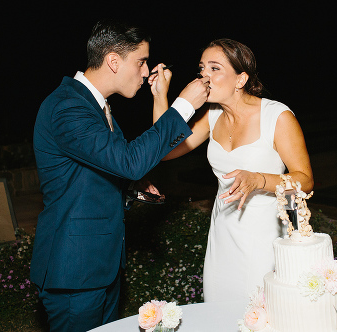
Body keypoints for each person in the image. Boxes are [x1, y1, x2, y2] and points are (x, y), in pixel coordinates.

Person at [30, 20, 211, 331]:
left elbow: (102, 168)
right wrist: (182, 106)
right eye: (140, 61)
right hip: (75, 271)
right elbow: (129, 160)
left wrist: (131, 186)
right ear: (113, 61)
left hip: (99, 267)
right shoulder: (68, 107)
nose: (145, 71)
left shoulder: (95, 106)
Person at [161, 38, 314, 307]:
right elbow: (162, 148)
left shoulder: (276, 116)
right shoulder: (212, 115)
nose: (204, 77)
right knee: (219, 312)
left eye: (215, 69)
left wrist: (259, 179)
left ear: (240, 79)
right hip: (222, 235)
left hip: (264, 237)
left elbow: (305, 179)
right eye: (201, 69)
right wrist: (160, 95)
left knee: (261, 314)